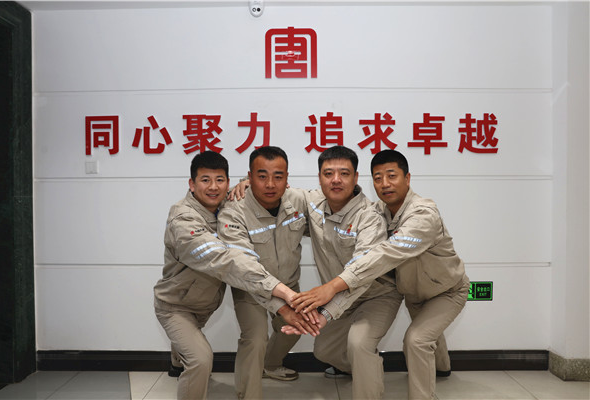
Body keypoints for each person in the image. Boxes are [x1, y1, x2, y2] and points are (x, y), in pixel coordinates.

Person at [291, 149, 470, 400]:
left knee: (417, 340)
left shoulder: (423, 214)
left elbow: (386, 253)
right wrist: (246, 184)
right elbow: (288, 194)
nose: (385, 184)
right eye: (378, 178)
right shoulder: (378, 211)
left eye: (392, 176)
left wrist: (332, 287)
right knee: (326, 349)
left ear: (407, 178)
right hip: (412, 291)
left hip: (446, 291)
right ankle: (441, 367)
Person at [153, 151, 319, 400]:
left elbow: (259, 186)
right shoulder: (184, 219)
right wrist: (282, 293)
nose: (213, 187)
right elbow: (226, 260)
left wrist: (247, 183)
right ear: (191, 184)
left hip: (207, 302)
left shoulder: (228, 201)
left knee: (291, 326)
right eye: (205, 180)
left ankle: (180, 357)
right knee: (203, 358)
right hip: (178, 304)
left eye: (219, 180)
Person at [217, 146, 310, 399]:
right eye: (261, 176)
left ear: (287, 178)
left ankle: (270, 364)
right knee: (256, 338)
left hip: (288, 284)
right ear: (249, 177)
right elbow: (243, 265)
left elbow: (332, 203)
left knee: (298, 326)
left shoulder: (298, 200)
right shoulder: (233, 210)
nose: (270, 184)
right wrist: (281, 299)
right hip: (250, 289)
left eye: (278, 176)